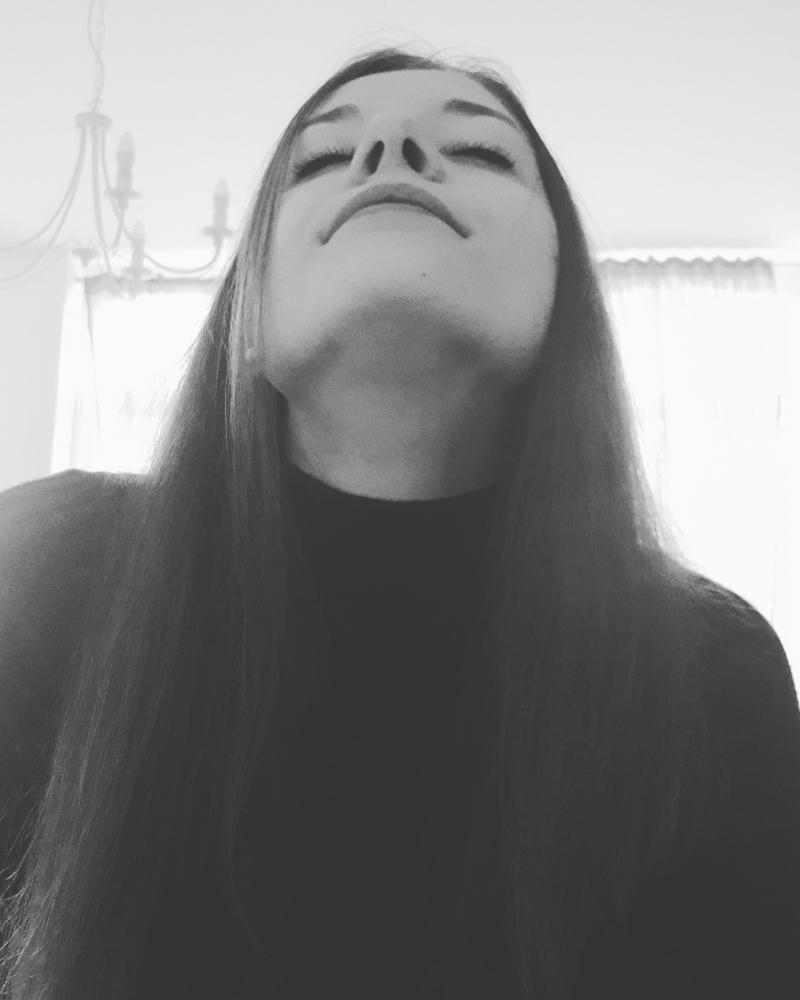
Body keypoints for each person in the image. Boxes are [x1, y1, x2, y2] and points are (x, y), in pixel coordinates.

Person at [1, 45, 799, 1000]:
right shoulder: (44, 571)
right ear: (246, 317)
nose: (388, 148)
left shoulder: (711, 668)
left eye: (480, 151)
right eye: (321, 158)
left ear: (565, 301)